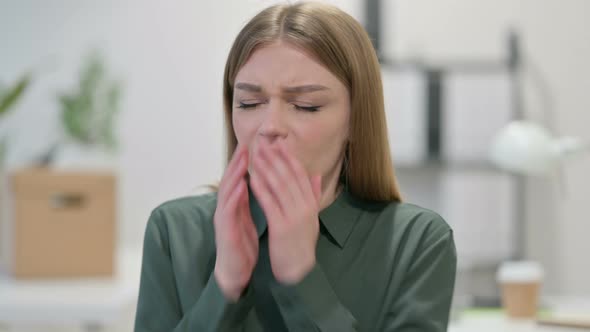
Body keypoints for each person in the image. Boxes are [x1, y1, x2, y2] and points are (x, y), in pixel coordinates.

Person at [134, 2, 456, 331]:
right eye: (249, 103)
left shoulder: (417, 242)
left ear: (356, 119)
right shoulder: (174, 231)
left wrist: (303, 277)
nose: (270, 125)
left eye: (306, 106)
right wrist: (224, 286)